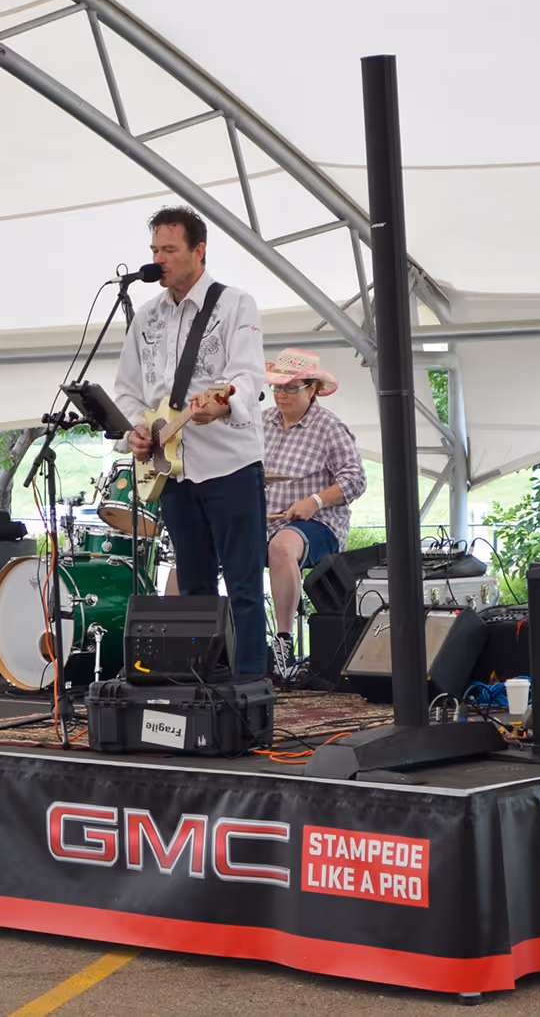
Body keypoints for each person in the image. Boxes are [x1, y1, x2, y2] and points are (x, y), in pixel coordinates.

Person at [114, 207, 269, 678]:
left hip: (230, 464)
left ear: (199, 251)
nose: (158, 259)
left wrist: (224, 404)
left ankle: (250, 686)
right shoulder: (145, 317)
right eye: (154, 250)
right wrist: (136, 431)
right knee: (195, 587)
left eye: (169, 250)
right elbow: (127, 391)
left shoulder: (236, 305)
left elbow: (248, 377)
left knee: (243, 586)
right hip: (172, 471)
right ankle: (204, 684)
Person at [263, 349, 367, 679]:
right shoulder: (261, 422)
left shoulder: (330, 427)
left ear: (312, 389)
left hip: (319, 524)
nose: (281, 395)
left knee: (282, 547)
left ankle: (283, 643)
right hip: (264, 521)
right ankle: (234, 643)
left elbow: (356, 480)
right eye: (277, 387)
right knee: (217, 544)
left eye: (290, 388)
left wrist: (315, 502)